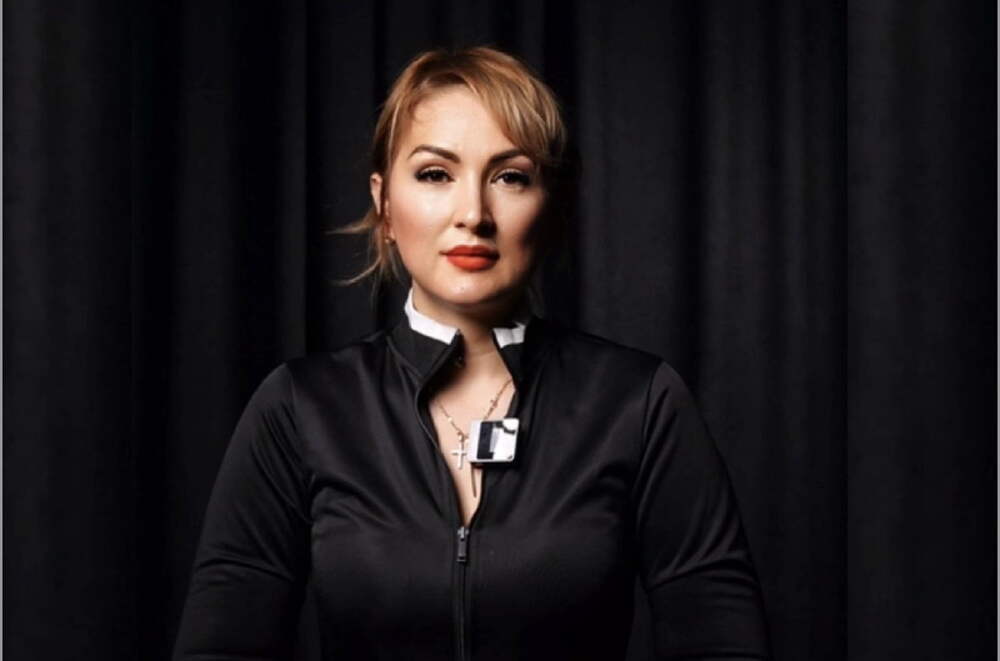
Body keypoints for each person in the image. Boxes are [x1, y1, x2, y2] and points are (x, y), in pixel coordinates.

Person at [173, 46, 771, 660]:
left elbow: (723, 645)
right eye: (436, 174)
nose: (473, 214)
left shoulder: (638, 402)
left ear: (552, 205)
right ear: (384, 203)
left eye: (511, 177)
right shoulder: (301, 407)